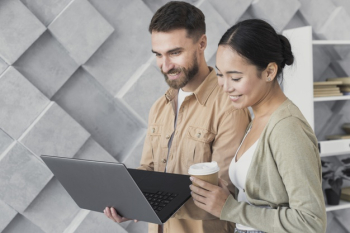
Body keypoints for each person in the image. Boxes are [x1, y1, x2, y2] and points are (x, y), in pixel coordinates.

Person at [104, 1, 250, 233]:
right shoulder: (160, 107)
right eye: (158, 55)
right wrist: (128, 202)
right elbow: (149, 170)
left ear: (201, 43)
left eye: (175, 52)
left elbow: (223, 194)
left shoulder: (230, 106)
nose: (165, 65)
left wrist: (150, 203)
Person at [189, 19, 327, 233]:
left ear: (270, 72)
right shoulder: (256, 119)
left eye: (235, 77)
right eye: (219, 74)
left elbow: (310, 222)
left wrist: (230, 209)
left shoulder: (287, 128)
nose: (225, 87)